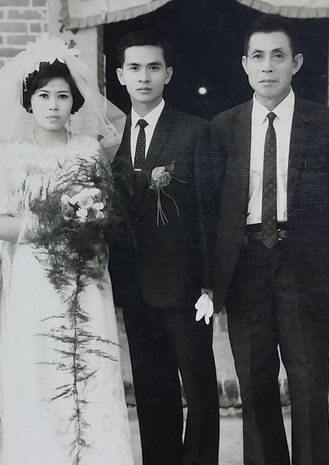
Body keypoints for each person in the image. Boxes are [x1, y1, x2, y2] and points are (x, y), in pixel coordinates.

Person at [198, 14, 329, 465]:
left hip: (303, 264)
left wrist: (304, 251)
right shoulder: (223, 127)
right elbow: (211, 205)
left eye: (278, 56)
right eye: (258, 57)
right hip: (245, 267)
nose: (267, 66)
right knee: (254, 385)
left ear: (296, 63)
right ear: (245, 64)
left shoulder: (327, 124)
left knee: (308, 383)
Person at [0, 35, 132, 464]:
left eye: (62, 96)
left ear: (74, 102)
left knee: (90, 365)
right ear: (28, 102)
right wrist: (47, 224)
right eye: (43, 96)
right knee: (41, 368)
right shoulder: (12, 156)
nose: (53, 105)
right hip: (35, 277)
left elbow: (108, 213)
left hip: (87, 276)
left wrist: (92, 219)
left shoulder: (89, 151)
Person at [108, 30, 219, 465]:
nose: (144, 77)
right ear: (120, 75)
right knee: (152, 390)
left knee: (199, 389)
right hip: (135, 287)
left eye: (153, 67)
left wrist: (209, 283)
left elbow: (208, 212)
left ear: (168, 74)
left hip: (184, 285)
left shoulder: (195, 131)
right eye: (134, 68)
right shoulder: (109, 138)